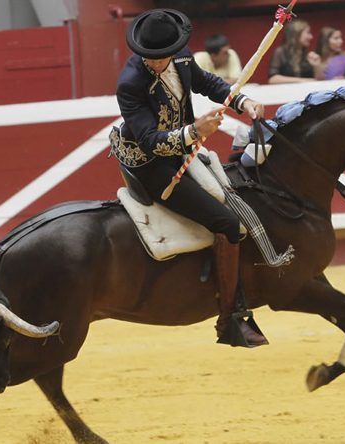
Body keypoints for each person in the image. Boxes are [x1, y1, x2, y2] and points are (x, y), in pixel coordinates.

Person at [110, 8, 268, 347]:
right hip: (151, 165)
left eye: (159, 56)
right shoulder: (130, 84)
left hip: (183, 149)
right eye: (147, 57)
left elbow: (208, 83)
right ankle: (231, 318)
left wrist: (242, 100)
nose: (153, 62)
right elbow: (150, 141)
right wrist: (195, 130)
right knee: (226, 224)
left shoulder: (181, 58)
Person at [268, 19, 321, 84]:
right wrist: (303, 81)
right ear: (296, 34)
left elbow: (318, 81)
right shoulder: (281, 52)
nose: (311, 37)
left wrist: (317, 66)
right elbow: (272, 79)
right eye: (308, 32)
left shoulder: (307, 54)